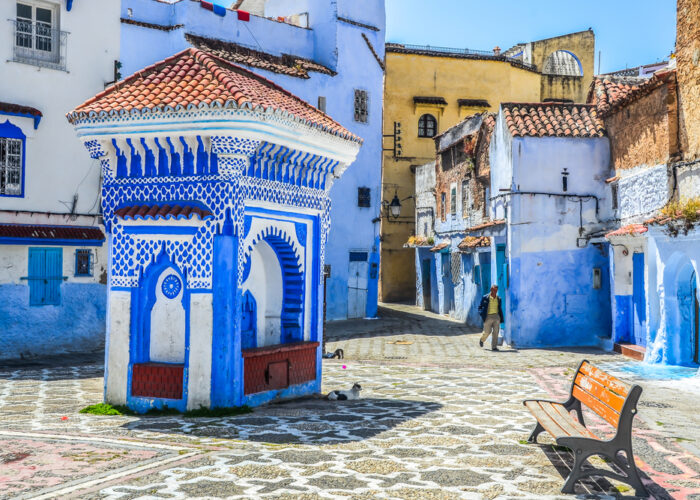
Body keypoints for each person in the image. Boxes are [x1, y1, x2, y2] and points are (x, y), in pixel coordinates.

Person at [478, 285, 503, 351]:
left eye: (496, 290)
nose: (495, 291)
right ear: (491, 289)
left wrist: (499, 317)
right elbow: (480, 307)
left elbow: (499, 308)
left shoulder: (498, 299)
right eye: (494, 290)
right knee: (487, 331)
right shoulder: (485, 297)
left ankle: (494, 347)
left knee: (496, 332)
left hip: (496, 316)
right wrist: (481, 314)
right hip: (488, 316)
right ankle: (482, 339)